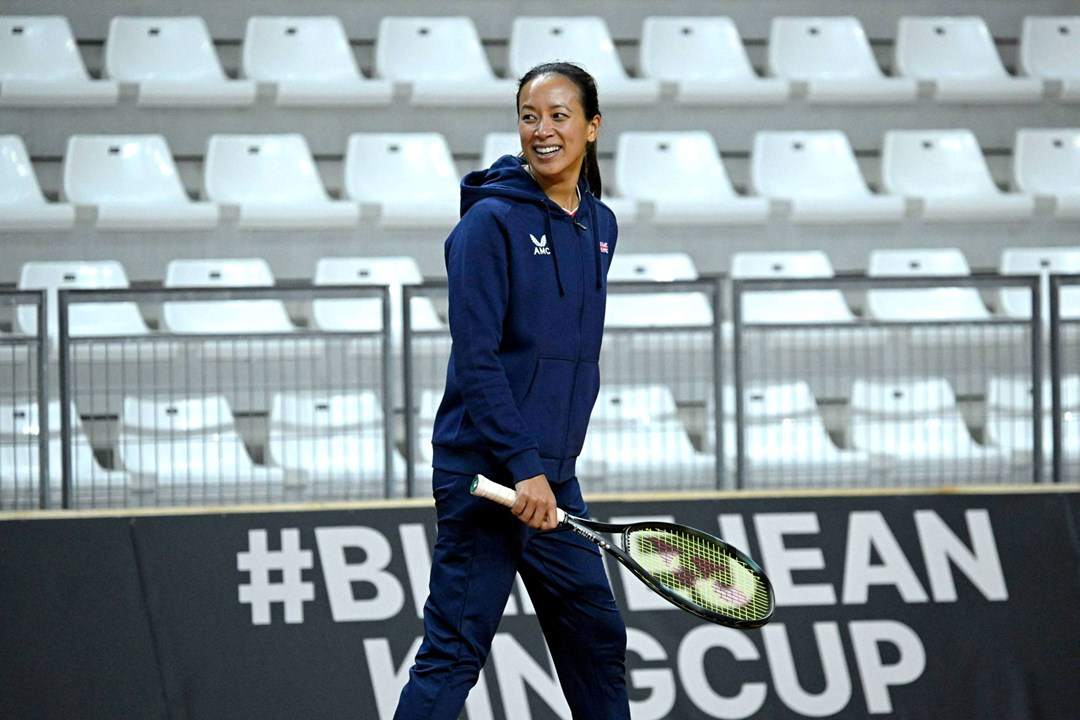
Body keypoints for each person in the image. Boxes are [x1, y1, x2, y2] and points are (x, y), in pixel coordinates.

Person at [392, 62, 629, 720]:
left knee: (598, 640)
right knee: (453, 656)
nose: (543, 130)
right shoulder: (486, 227)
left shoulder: (601, 226)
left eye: (559, 115)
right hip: (489, 476)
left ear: (592, 126)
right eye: (531, 116)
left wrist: (548, 472)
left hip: (553, 483)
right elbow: (478, 360)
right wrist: (523, 469)